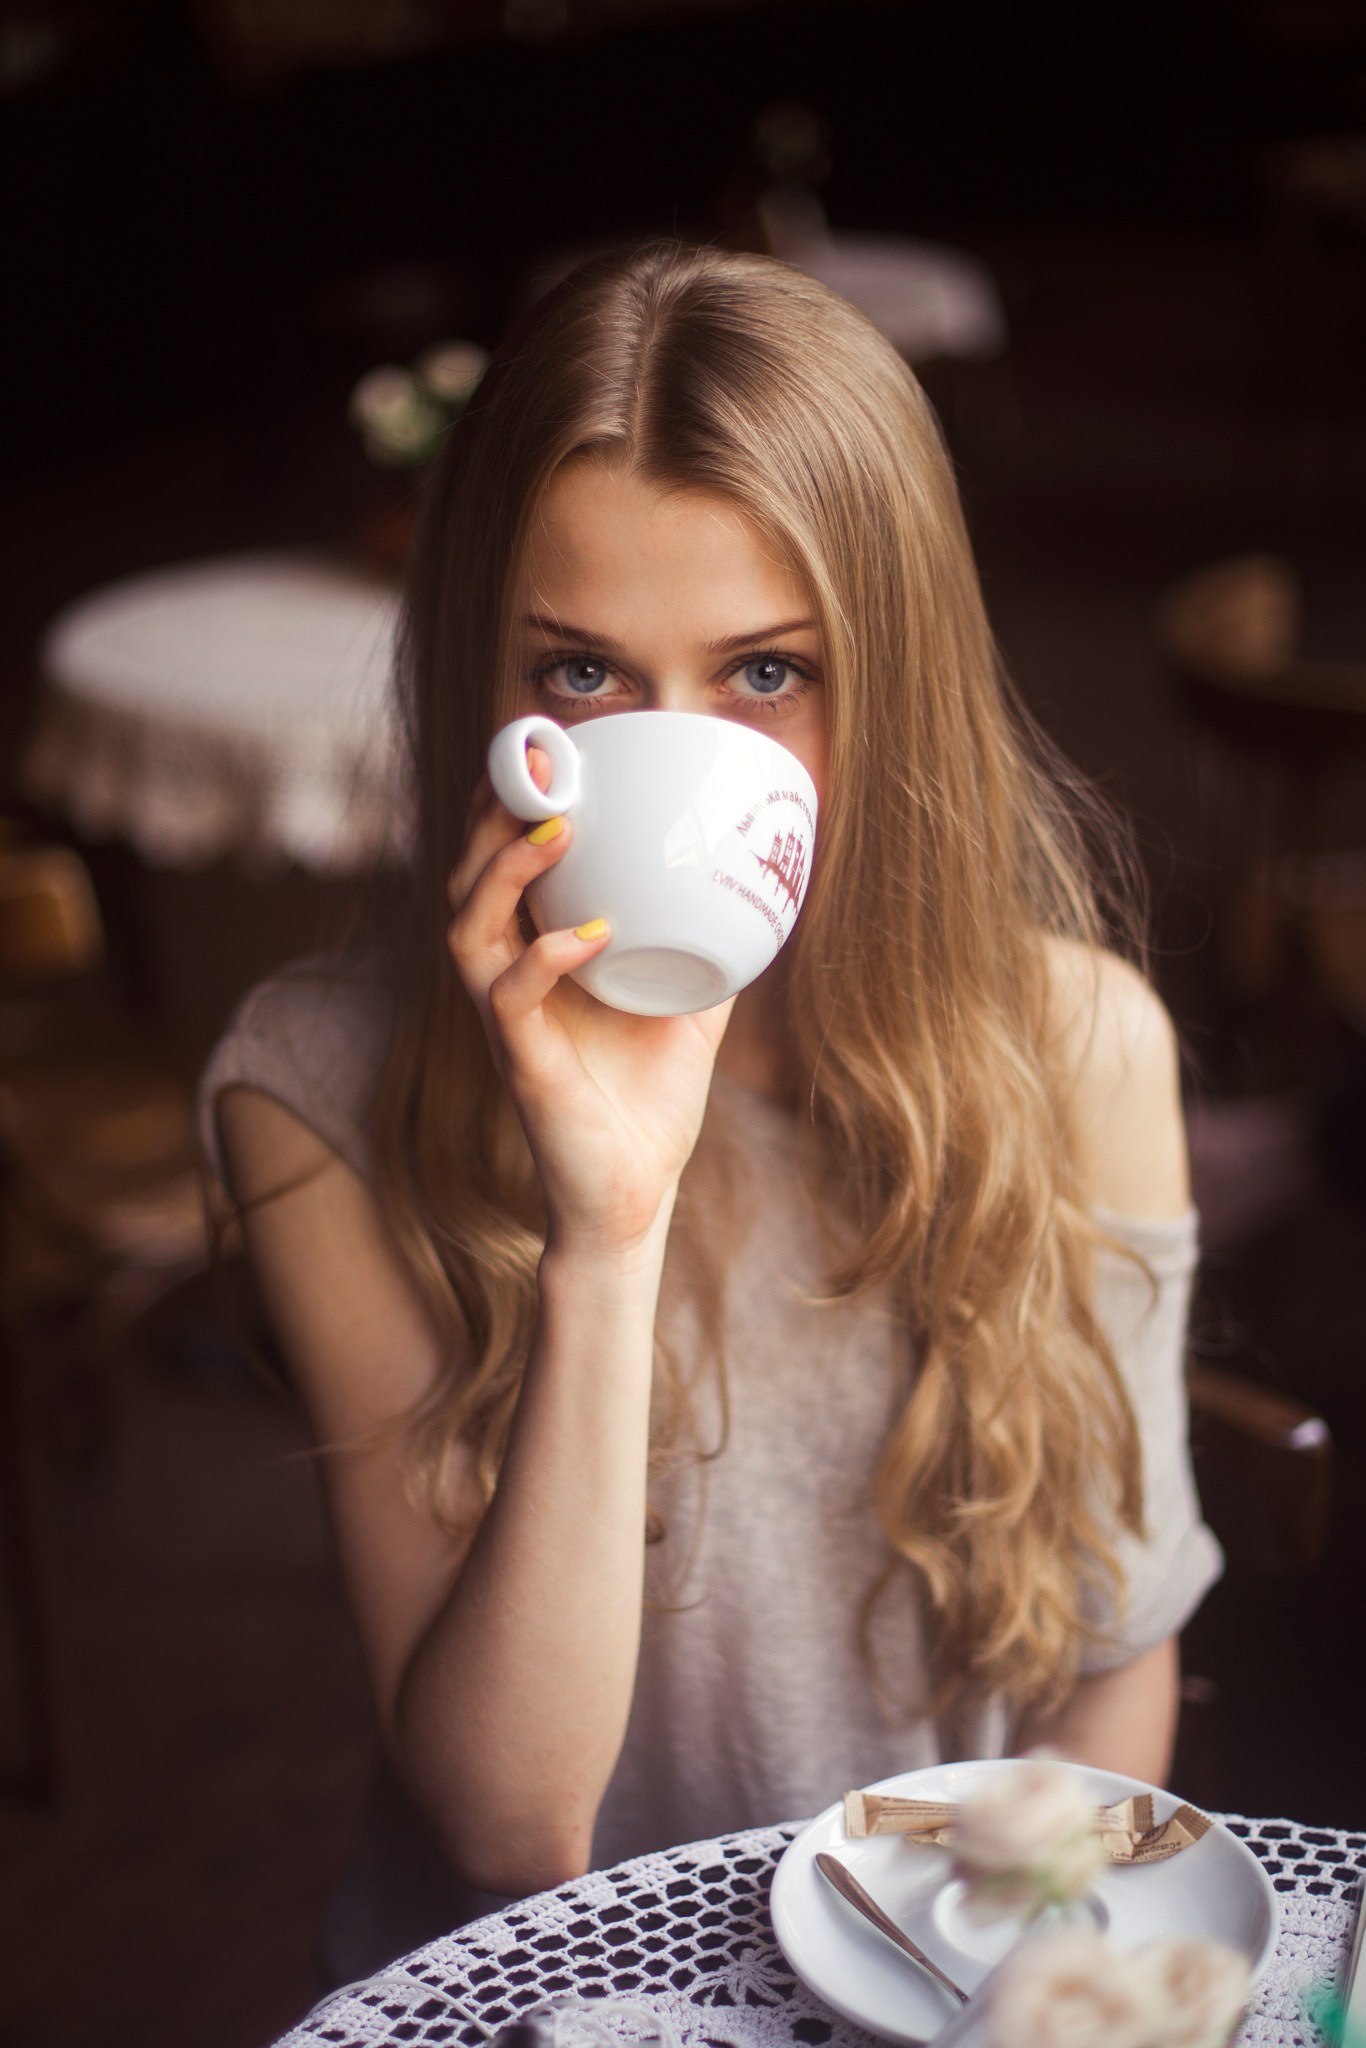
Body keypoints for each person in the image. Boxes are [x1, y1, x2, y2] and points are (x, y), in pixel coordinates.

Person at [200, 241, 1220, 1978]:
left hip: (940, 1984)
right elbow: (511, 1828)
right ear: (487, 684)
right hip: (548, 2000)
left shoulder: (1080, 1050)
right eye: (582, 675)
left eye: (765, 674)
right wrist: (604, 1228)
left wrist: (994, 1990)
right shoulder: (314, 1097)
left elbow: (1113, 1659)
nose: (680, 753)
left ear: (890, 682)